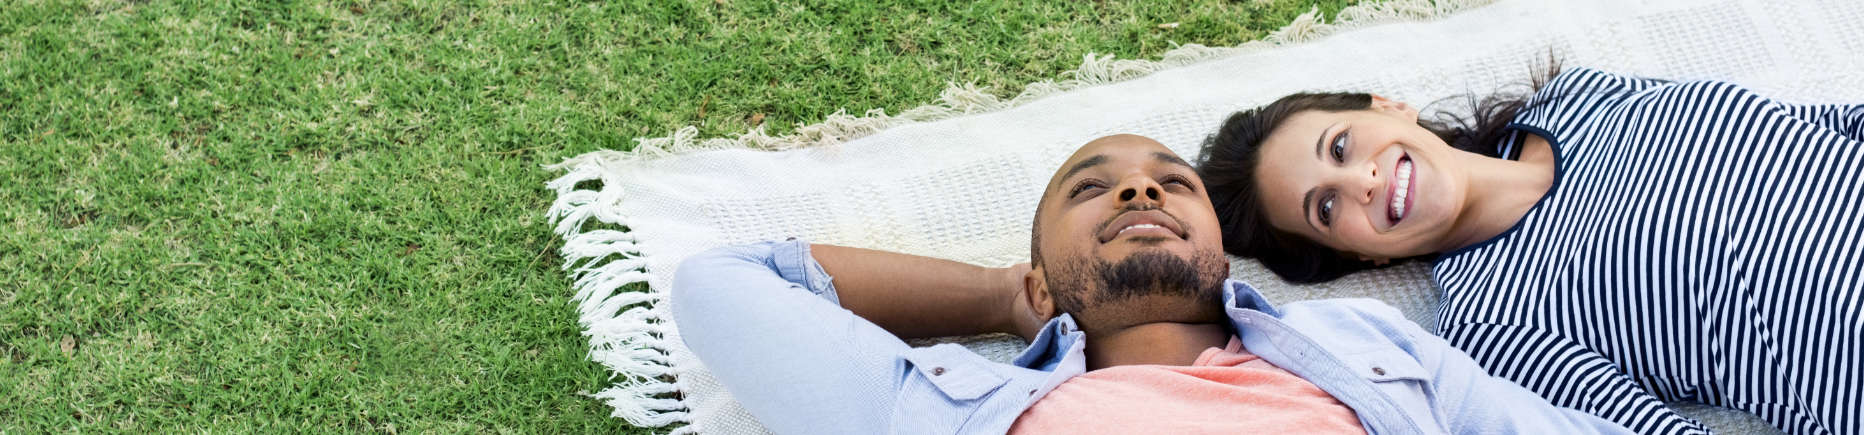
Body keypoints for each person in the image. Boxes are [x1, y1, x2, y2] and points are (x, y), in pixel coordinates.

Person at [673, 134, 1632, 434]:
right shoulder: (952, 409)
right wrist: (1003, 301)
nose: (1139, 185)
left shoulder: (1372, 351)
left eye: (1173, 183)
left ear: (1222, 243)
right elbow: (723, 284)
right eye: (1091, 189)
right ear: (1044, 266)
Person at [1196, 66, 1864, 435]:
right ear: (1359, 257)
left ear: (1390, 107)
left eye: (1340, 146)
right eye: (1328, 207)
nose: (1360, 180)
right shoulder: (1496, 325)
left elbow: (1823, 125)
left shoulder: (1580, 96)